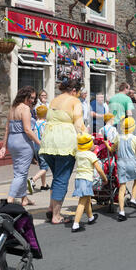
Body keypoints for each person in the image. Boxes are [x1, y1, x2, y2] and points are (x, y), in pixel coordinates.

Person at [39, 80, 86, 224]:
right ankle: (56, 216)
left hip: (48, 142)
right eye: (78, 93)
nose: (78, 95)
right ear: (74, 91)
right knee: (61, 179)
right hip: (64, 142)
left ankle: (50, 208)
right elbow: (78, 123)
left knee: (56, 176)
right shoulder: (74, 101)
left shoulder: (54, 100)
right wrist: (87, 137)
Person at [0, 86, 40, 207]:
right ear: (24, 96)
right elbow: (27, 129)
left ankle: (24, 198)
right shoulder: (25, 108)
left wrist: (3, 146)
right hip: (23, 142)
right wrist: (40, 143)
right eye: (31, 97)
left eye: (34, 98)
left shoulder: (13, 108)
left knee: (20, 171)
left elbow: (7, 128)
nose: (32, 100)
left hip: (12, 141)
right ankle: (9, 200)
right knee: (20, 174)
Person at [105, 117, 136, 221]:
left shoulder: (118, 137)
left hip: (121, 163)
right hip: (132, 162)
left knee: (122, 187)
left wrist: (106, 144)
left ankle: (122, 212)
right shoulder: (135, 139)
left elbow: (111, 149)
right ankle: (132, 199)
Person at [71, 133, 107, 233]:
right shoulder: (91, 155)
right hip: (86, 179)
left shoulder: (78, 153)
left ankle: (91, 217)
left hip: (78, 179)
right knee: (82, 202)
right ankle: (76, 224)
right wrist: (104, 178)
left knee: (87, 199)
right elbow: (99, 170)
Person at [27, 105, 50, 193]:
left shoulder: (35, 123)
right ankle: (33, 180)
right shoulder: (45, 124)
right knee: (45, 167)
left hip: (35, 146)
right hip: (42, 146)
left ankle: (43, 185)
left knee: (41, 165)